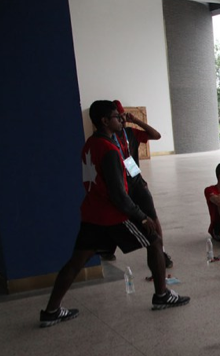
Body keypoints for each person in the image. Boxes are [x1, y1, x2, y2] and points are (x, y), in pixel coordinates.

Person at [39, 100, 190, 327]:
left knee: (76, 261)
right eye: (116, 117)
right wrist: (141, 216)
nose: (121, 119)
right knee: (155, 240)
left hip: (92, 214)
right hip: (111, 216)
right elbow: (118, 196)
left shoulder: (90, 144)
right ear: (104, 121)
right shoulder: (109, 150)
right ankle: (162, 295)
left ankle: (51, 310)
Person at [99, 100, 173, 267]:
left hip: (136, 182)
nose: (121, 120)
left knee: (152, 217)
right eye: (118, 117)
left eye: (122, 116)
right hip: (119, 184)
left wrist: (136, 120)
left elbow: (156, 135)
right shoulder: (105, 140)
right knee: (117, 217)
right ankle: (107, 248)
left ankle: (160, 251)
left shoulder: (129, 133)